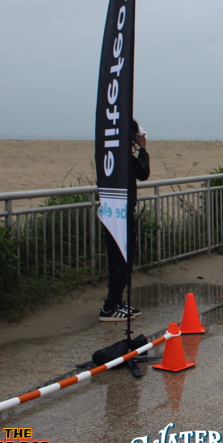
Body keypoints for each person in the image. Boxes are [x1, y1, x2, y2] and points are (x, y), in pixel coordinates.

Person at [99, 119, 151, 321]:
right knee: (123, 262)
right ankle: (110, 307)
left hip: (111, 212)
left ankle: (117, 302)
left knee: (116, 260)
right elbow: (143, 172)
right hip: (122, 214)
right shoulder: (124, 157)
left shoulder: (111, 154)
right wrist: (143, 149)